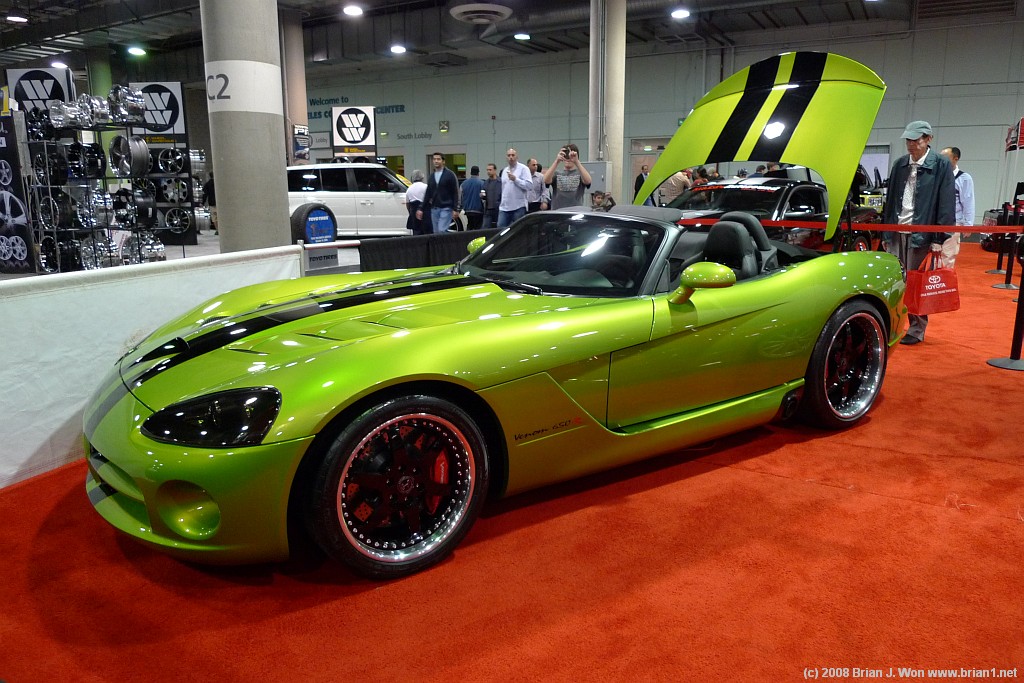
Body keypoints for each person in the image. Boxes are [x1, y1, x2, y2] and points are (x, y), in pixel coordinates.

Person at [882, 120, 955, 345]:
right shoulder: (900, 164)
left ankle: (916, 329)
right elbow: (890, 200)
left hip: (922, 233)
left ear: (928, 139)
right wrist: (885, 233)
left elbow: (946, 203)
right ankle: (892, 325)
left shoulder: (941, 164)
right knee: (895, 282)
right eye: (908, 140)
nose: (911, 144)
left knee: (917, 283)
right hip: (897, 230)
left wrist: (938, 237)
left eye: (916, 139)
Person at [939, 146, 975, 268]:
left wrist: (968, 225)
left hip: (953, 223)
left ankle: (945, 279)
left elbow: (968, 201)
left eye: (945, 158)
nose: (942, 161)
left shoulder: (964, 178)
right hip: (935, 223)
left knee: (947, 256)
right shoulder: (937, 177)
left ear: (955, 159)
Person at [418, 152, 460, 234]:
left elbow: (455, 192)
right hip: (434, 208)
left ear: (443, 161)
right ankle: (445, 242)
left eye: (438, 159)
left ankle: (450, 240)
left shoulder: (450, 175)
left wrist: (456, 208)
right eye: (434, 159)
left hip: (446, 207)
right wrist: (421, 208)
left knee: (441, 230)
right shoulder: (432, 177)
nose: (436, 161)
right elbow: (428, 193)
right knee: (436, 232)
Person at [543, 143, 592, 210]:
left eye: (570, 155)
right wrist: (557, 161)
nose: (568, 158)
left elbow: (588, 181)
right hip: (558, 211)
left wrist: (576, 161)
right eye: (566, 155)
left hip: (575, 211)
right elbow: (545, 180)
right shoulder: (556, 173)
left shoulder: (580, 173)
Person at [497, 148, 533, 227]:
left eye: (513, 155)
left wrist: (516, 179)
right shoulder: (504, 171)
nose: (511, 157)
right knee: (500, 229)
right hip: (504, 207)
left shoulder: (524, 169)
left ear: (517, 157)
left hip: (518, 207)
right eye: (509, 155)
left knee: (518, 230)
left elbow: (529, 186)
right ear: (506, 158)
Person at [405, 169, 429, 235]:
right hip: (425, 214)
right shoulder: (426, 187)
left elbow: (407, 204)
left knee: (416, 233)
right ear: (422, 177)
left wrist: (410, 212)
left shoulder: (409, 189)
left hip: (414, 215)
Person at [460, 165, 484, 230]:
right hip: (478, 210)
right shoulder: (482, 183)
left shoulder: (464, 184)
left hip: (467, 210)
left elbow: (460, 197)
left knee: (470, 225)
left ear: (470, 173)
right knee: (478, 227)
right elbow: (483, 197)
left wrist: (462, 207)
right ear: (478, 173)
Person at [482, 163, 502, 230]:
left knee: (499, 227)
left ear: (495, 170)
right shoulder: (486, 183)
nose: (488, 171)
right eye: (487, 170)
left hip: (498, 209)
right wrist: (482, 196)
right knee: (485, 228)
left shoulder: (501, 182)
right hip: (488, 209)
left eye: (490, 170)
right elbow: (484, 195)